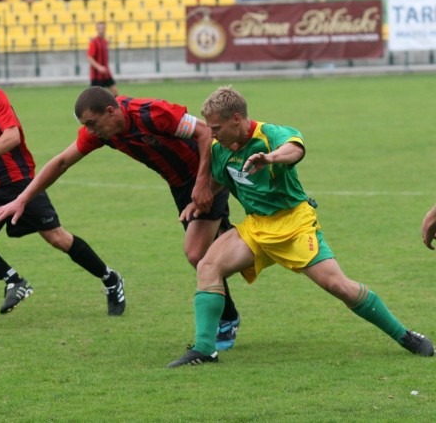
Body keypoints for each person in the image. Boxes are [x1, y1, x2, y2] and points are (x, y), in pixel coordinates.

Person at [167, 85, 434, 367]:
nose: (212, 133)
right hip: (257, 226)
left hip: (294, 224)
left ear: (236, 118)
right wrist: (198, 202)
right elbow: (222, 178)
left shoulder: (270, 134)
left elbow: (294, 149)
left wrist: (270, 158)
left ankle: (405, 336)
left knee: (339, 286)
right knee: (208, 265)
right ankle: (205, 349)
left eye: (217, 127)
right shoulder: (220, 148)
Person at [0, 86, 242, 352]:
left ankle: (228, 317)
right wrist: (22, 199)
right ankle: (237, 246)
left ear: (110, 111)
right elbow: (62, 162)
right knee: (207, 252)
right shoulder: (102, 134)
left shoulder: (151, 113)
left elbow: (204, 133)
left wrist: (202, 184)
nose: (91, 131)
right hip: (180, 186)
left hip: (209, 170)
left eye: (92, 124)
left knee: (195, 253)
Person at [0, 40, 125, 316]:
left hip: (19, 182)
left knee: (56, 238)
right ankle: (14, 281)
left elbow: (12, 136)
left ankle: (109, 278)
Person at [87, 22, 117, 96]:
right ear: (97, 29)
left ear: (105, 29)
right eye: (99, 28)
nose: (101, 30)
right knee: (95, 97)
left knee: (115, 92)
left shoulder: (105, 42)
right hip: (97, 75)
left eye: (103, 28)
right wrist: (99, 67)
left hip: (106, 74)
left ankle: (115, 107)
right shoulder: (94, 42)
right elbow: (90, 57)